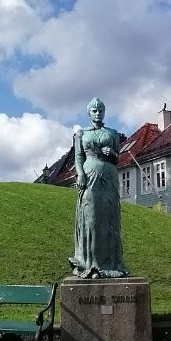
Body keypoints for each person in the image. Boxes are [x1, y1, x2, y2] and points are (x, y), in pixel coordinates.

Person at [68, 97, 129, 279]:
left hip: (109, 176)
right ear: (89, 113)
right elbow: (78, 157)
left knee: (109, 219)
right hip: (89, 175)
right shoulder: (81, 133)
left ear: (104, 112)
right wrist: (80, 174)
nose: (97, 113)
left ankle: (110, 263)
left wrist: (113, 154)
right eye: (94, 110)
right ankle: (90, 263)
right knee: (91, 218)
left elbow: (117, 159)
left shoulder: (113, 133)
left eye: (100, 110)